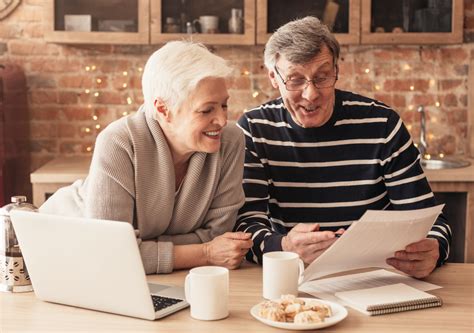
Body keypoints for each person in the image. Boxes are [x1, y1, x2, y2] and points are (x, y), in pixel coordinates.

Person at [234, 17, 451, 279]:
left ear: (336, 71)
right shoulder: (254, 128)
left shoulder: (382, 124)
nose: (311, 94)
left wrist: (435, 248)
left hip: (375, 277)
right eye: (295, 80)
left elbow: (427, 221)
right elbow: (245, 227)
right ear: (273, 77)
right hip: (293, 277)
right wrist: (284, 247)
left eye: (322, 77)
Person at [41, 41, 252, 274]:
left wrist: (141, 248)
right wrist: (204, 252)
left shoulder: (231, 140)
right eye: (206, 110)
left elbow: (218, 235)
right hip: (62, 254)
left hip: (165, 274)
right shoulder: (118, 142)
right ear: (163, 110)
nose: (222, 120)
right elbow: (109, 253)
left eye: (224, 105)